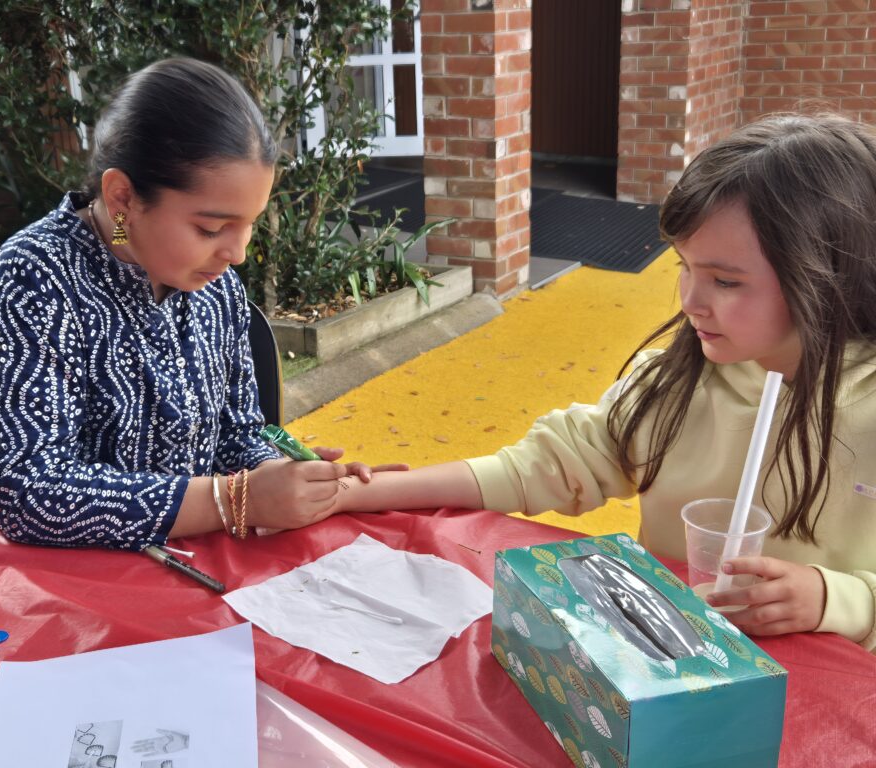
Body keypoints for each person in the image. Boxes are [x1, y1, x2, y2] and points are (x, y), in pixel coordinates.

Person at [334, 113, 876, 652]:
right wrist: (361, 493)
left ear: (827, 275)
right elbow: (540, 468)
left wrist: (837, 600)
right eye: (684, 267)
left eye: (726, 281)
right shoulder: (673, 386)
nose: (690, 301)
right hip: (674, 673)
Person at [0, 58, 385, 548]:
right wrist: (232, 499)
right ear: (122, 197)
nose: (237, 253)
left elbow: (237, 433)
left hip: (165, 558)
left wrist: (287, 476)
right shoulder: (33, 279)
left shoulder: (216, 288)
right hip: (13, 575)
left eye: (249, 222)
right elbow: (27, 495)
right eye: (211, 228)